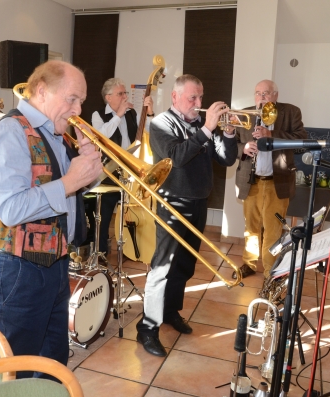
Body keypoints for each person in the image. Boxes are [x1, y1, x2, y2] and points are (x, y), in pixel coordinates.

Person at [0, 60, 103, 378]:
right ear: (43, 91)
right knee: (16, 368)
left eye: (81, 102)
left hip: (54, 262)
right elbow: (12, 209)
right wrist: (71, 182)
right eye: (72, 99)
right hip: (17, 268)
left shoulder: (53, 132)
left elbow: (62, 188)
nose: (77, 110)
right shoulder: (10, 132)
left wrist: (88, 170)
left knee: (53, 361)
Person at [136, 74, 237, 357]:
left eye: (201, 97)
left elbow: (226, 159)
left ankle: (169, 312)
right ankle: (147, 328)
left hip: (198, 201)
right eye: (193, 97)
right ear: (175, 97)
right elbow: (177, 157)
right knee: (163, 267)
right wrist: (206, 129)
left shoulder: (200, 125)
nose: (198, 103)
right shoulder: (161, 124)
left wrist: (227, 133)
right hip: (172, 203)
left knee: (185, 263)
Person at [233, 79, 307, 280]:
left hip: (277, 182)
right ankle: (249, 263)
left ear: (276, 95)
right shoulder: (245, 115)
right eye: (258, 93)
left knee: (273, 231)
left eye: (266, 93)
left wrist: (271, 134)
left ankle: (270, 271)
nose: (261, 97)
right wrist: (245, 148)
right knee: (251, 228)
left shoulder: (291, 112)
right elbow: (235, 145)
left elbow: (301, 140)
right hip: (251, 181)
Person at [88, 78, 154, 256]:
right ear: (108, 97)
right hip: (109, 172)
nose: (125, 96)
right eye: (120, 93)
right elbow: (101, 137)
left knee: (131, 213)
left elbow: (149, 131)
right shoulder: (98, 115)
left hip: (130, 172)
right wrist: (118, 115)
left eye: (125, 93)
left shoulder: (131, 113)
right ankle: (100, 253)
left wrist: (148, 113)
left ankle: (130, 250)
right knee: (103, 215)